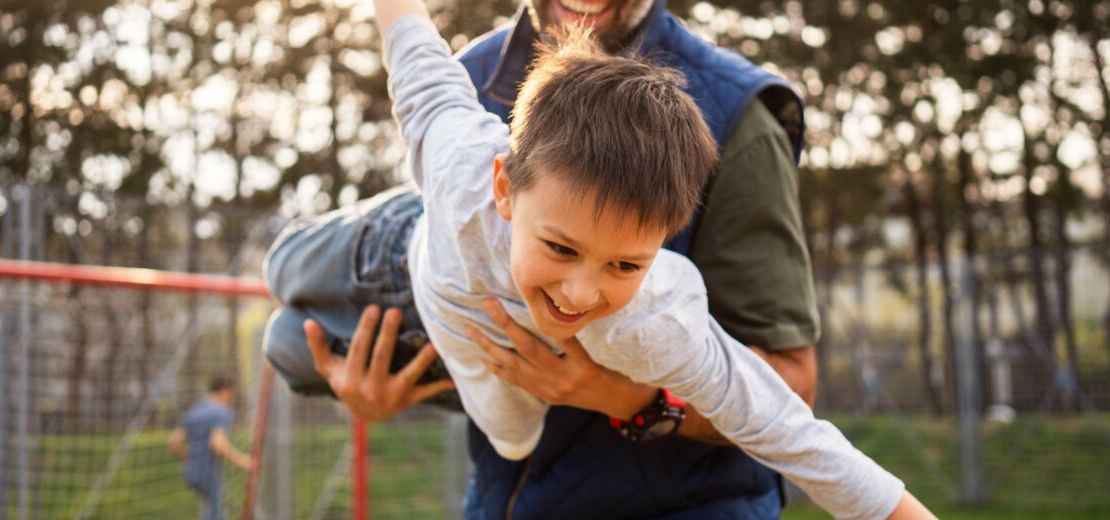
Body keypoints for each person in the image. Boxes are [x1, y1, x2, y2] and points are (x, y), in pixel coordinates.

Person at [262, 0, 934, 517]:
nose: (582, 293)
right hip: (412, 258)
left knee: (287, 340)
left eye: (625, 264)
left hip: (525, 386)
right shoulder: (465, 154)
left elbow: (789, 424)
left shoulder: (657, 321)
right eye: (562, 247)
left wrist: (626, 396)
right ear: (504, 184)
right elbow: (409, 47)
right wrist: (383, 394)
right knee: (281, 283)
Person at [168, 376, 254, 520]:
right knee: (216, 513)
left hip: (191, 472)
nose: (231, 398)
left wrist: (188, 457)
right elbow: (218, 444)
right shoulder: (222, 411)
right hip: (208, 472)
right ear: (224, 391)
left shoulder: (196, 410)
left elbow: (174, 441)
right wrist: (243, 460)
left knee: (207, 508)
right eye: (231, 394)